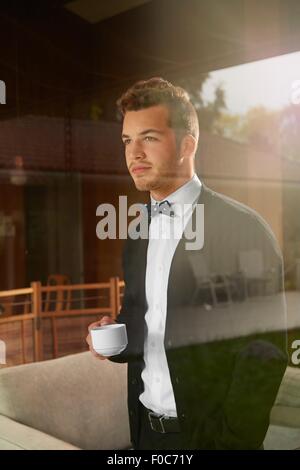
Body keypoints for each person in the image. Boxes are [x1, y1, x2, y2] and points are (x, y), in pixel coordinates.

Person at [86, 77, 288, 450]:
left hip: (212, 440)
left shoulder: (243, 229)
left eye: (149, 138)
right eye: (128, 141)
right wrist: (111, 339)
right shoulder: (136, 233)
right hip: (145, 432)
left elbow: (264, 352)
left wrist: (234, 441)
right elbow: (141, 323)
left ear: (187, 145)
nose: (134, 154)